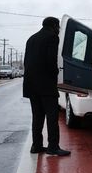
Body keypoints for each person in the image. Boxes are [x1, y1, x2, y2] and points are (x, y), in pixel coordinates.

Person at [23, 16, 70, 156]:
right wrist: (56, 73)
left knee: (37, 117)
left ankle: (36, 145)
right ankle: (53, 147)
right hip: (46, 85)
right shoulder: (52, 37)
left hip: (31, 85)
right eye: (58, 27)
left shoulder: (31, 38)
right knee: (52, 116)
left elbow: (27, 62)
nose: (59, 30)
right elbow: (51, 60)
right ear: (54, 26)